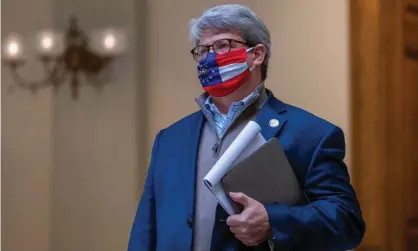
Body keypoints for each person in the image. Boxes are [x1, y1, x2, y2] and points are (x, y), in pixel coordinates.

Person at [127, 4, 365, 251]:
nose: (210, 58)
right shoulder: (169, 139)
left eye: (222, 45)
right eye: (202, 50)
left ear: (257, 55)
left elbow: (346, 222)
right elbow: (146, 229)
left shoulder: (311, 134)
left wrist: (273, 221)